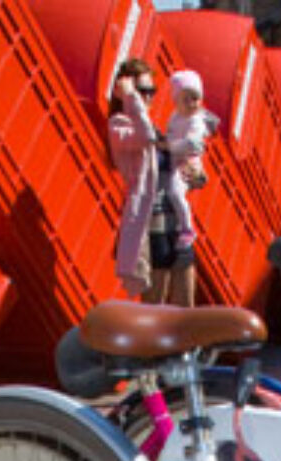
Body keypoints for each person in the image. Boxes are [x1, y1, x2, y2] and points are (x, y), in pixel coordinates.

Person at [107, 59, 195, 305]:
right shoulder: (119, 126)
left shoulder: (152, 127)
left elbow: (166, 167)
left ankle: (186, 346)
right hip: (152, 226)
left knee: (186, 306)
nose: (148, 98)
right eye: (142, 91)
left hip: (177, 224)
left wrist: (189, 171)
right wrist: (130, 99)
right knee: (155, 311)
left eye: (151, 92)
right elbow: (143, 136)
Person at [162, 69, 219, 251]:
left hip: (187, 164)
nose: (191, 104)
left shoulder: (196, 121)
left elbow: (192, 144)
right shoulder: (175, 117)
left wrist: (168, 146)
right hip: (176, 159)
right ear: (175, 101)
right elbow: (170, 135)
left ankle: (187, 229)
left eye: (195, 99)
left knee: (175, 191)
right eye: (185, 99)